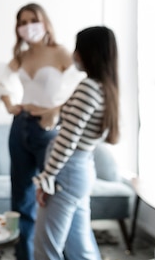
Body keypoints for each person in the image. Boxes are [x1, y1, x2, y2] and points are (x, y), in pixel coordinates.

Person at [0, 3, 83, 260]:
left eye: (33, 20)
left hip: (49, 132)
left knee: (51, 200)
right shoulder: (21, 56)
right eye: (22, 21)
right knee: (20, 201)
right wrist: (8, 102)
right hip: (20, 127)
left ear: (45, 22)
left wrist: (57, 111)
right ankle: (24, 256)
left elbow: (82, 88)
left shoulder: (61, 53)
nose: (28, 26)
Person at [33, 26, 120, 260]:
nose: (74, 54)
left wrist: (47, 178)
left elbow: (67, 140)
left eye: (78, 48)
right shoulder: (107, 88)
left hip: (67, 173)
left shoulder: (87, 88)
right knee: (80, 247)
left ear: (89, 53)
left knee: (46, 248)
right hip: (81, 170)